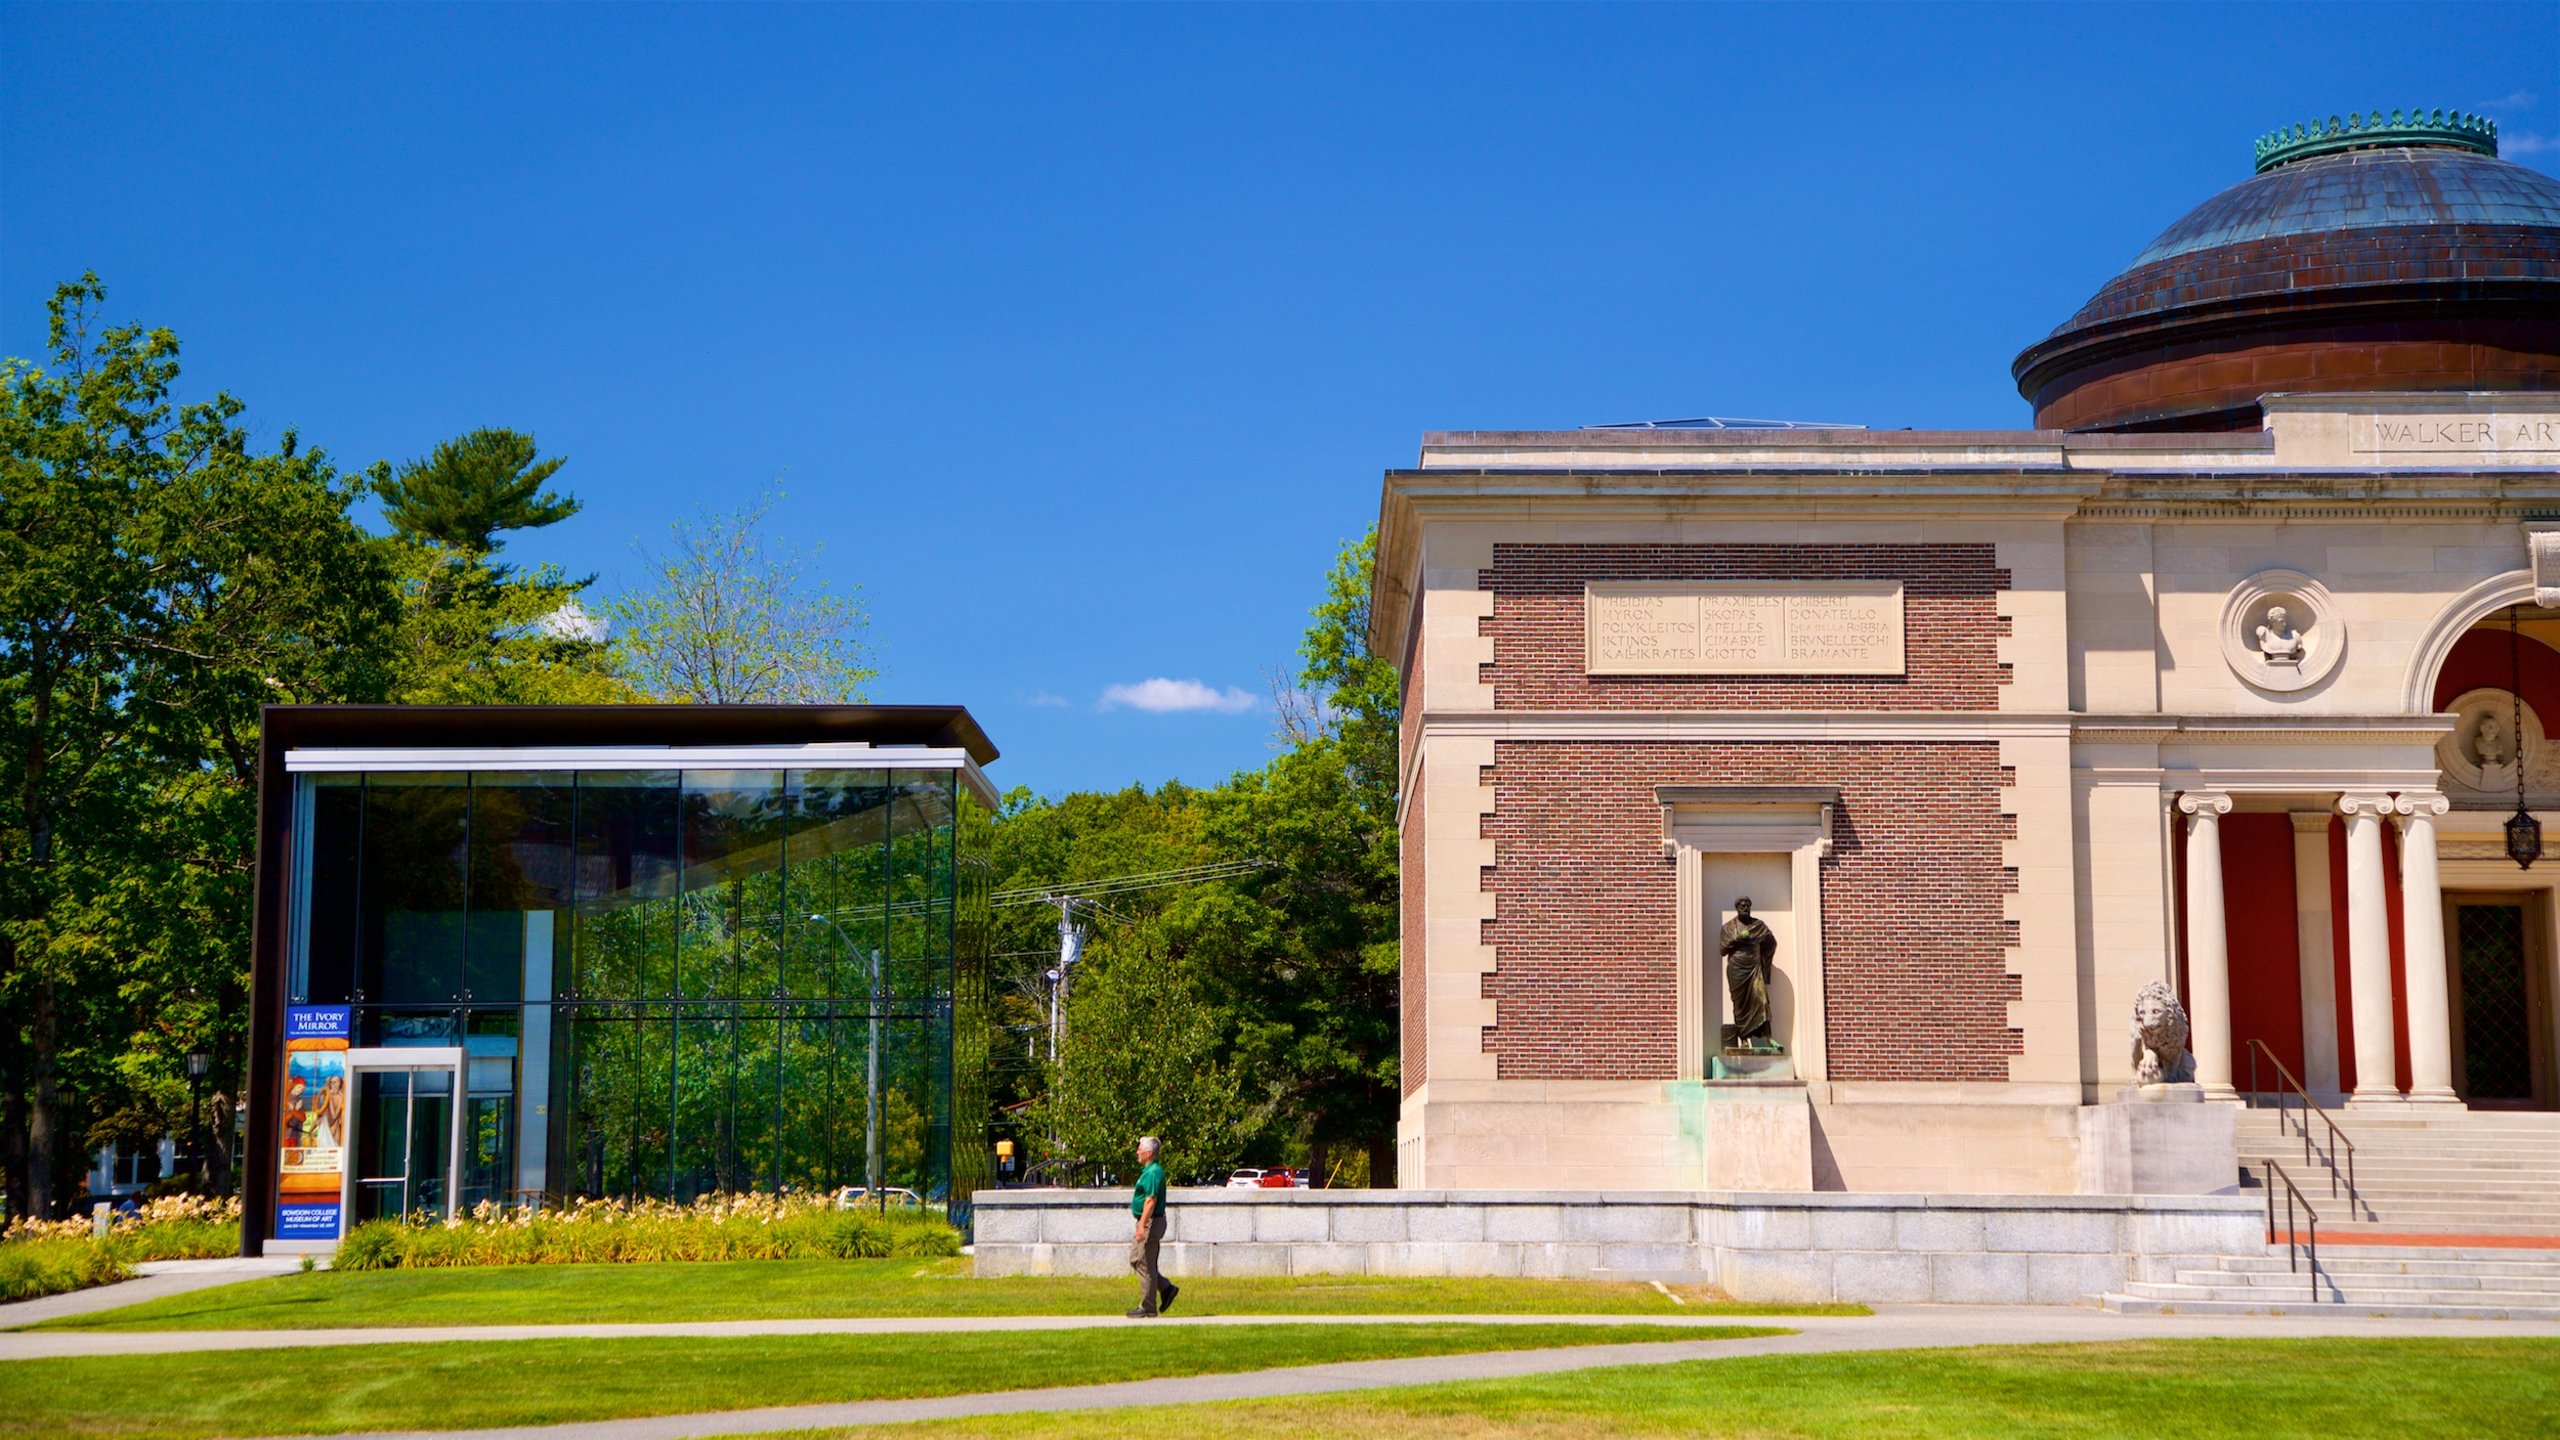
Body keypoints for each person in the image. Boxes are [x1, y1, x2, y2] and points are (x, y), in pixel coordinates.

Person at [1126, 1135, 1178, 1318]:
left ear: (1149, 1153)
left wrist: (1142, 1226)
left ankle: (1147, 1306)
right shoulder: (1148, 1171)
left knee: (1145, 1263)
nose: (1137, 1152)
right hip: (1147, 1221)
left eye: (1140, 1148)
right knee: (1136, 1259)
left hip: (1150, 1222)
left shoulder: (1154, 1172)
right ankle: (1166, 1288)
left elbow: (1151, 1200)